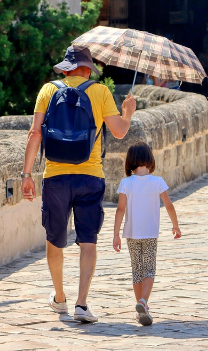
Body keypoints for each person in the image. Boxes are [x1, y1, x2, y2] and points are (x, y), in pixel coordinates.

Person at [21, 46, 137, 323]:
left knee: (54, 239)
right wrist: (128, 112)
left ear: (66, 67)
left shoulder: (48, 90)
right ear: (88, 68)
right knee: (88, 241)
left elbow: (35, 133)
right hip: (90, 175)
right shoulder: (100, 91)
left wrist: (26, 175)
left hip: (56, 176)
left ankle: (59, 297)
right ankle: (81, 304)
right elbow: (119, 132)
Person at [112, 142, 182, 326]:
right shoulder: (157, 182)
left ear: (130, 161)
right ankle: (143, 302)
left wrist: (116, 234)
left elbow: (120, 209)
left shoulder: (126, 183)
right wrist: (175, 226)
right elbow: (169, 205)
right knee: (149, 269)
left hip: (131, 234)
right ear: (149, 160)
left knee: (137, 270)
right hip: (150, 233)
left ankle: (140, 307)